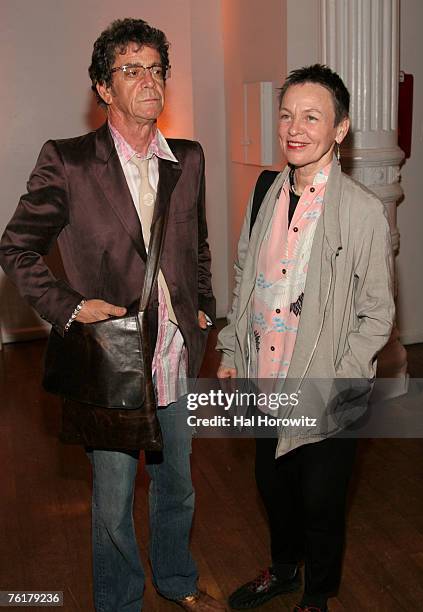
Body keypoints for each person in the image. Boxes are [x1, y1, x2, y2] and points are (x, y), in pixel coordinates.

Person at [0, 18, 225, 612]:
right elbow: (15, 245)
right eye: (131, 70)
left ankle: (176, 580)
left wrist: (200, 306)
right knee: (112, 501)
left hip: (176, 354)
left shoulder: (189, 157)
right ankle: (119, 602)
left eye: (156, 69)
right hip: (113, 361)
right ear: (104, 88)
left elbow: (196, 243)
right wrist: (68, 307)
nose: (148, 80)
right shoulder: (69, 162)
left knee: (178, 486)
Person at [217, 65, 395, 611]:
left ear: (339, 129)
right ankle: (285, 571)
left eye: (312, 117)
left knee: (321, 503)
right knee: (275, 491)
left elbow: (377, 315)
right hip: (265, 381)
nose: (295, 128)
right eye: (288, 114)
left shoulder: (363, 211)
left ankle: (316, 597)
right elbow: (246, 275)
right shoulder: (266, 189)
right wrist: (230, 349)